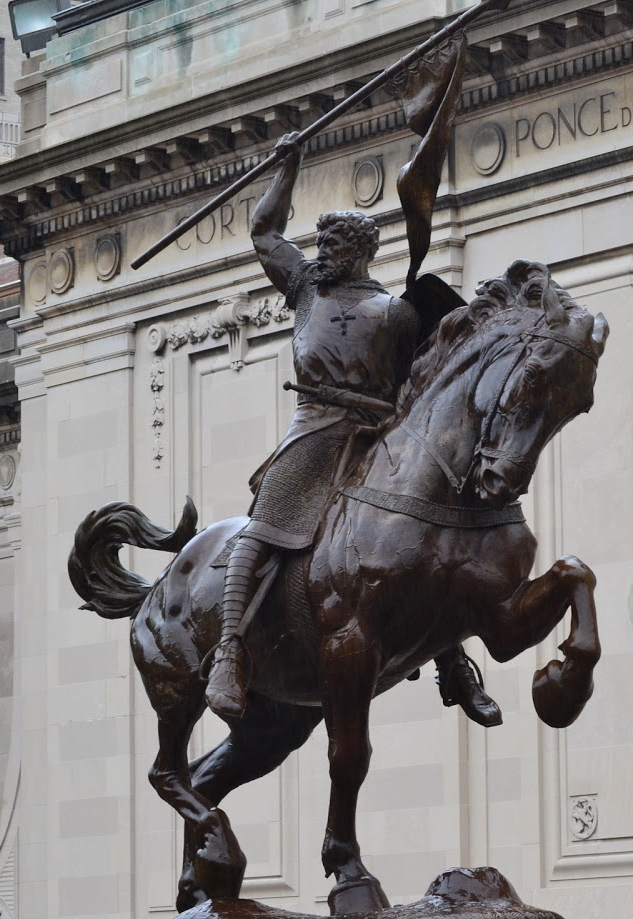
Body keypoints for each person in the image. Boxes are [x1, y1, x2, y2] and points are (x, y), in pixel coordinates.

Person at [204, 130, 502, 730]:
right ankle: (231, 651)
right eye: (322, 241)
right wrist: (287, 169)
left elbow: (416, 383)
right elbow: (264, 233)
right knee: (262, 529)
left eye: (335, 242)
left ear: (362, 249)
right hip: (312, 432)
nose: (325, 250)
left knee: (420, 537)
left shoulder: (396, 311)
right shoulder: (307, 288)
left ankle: (453, 665)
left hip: (372, 434)